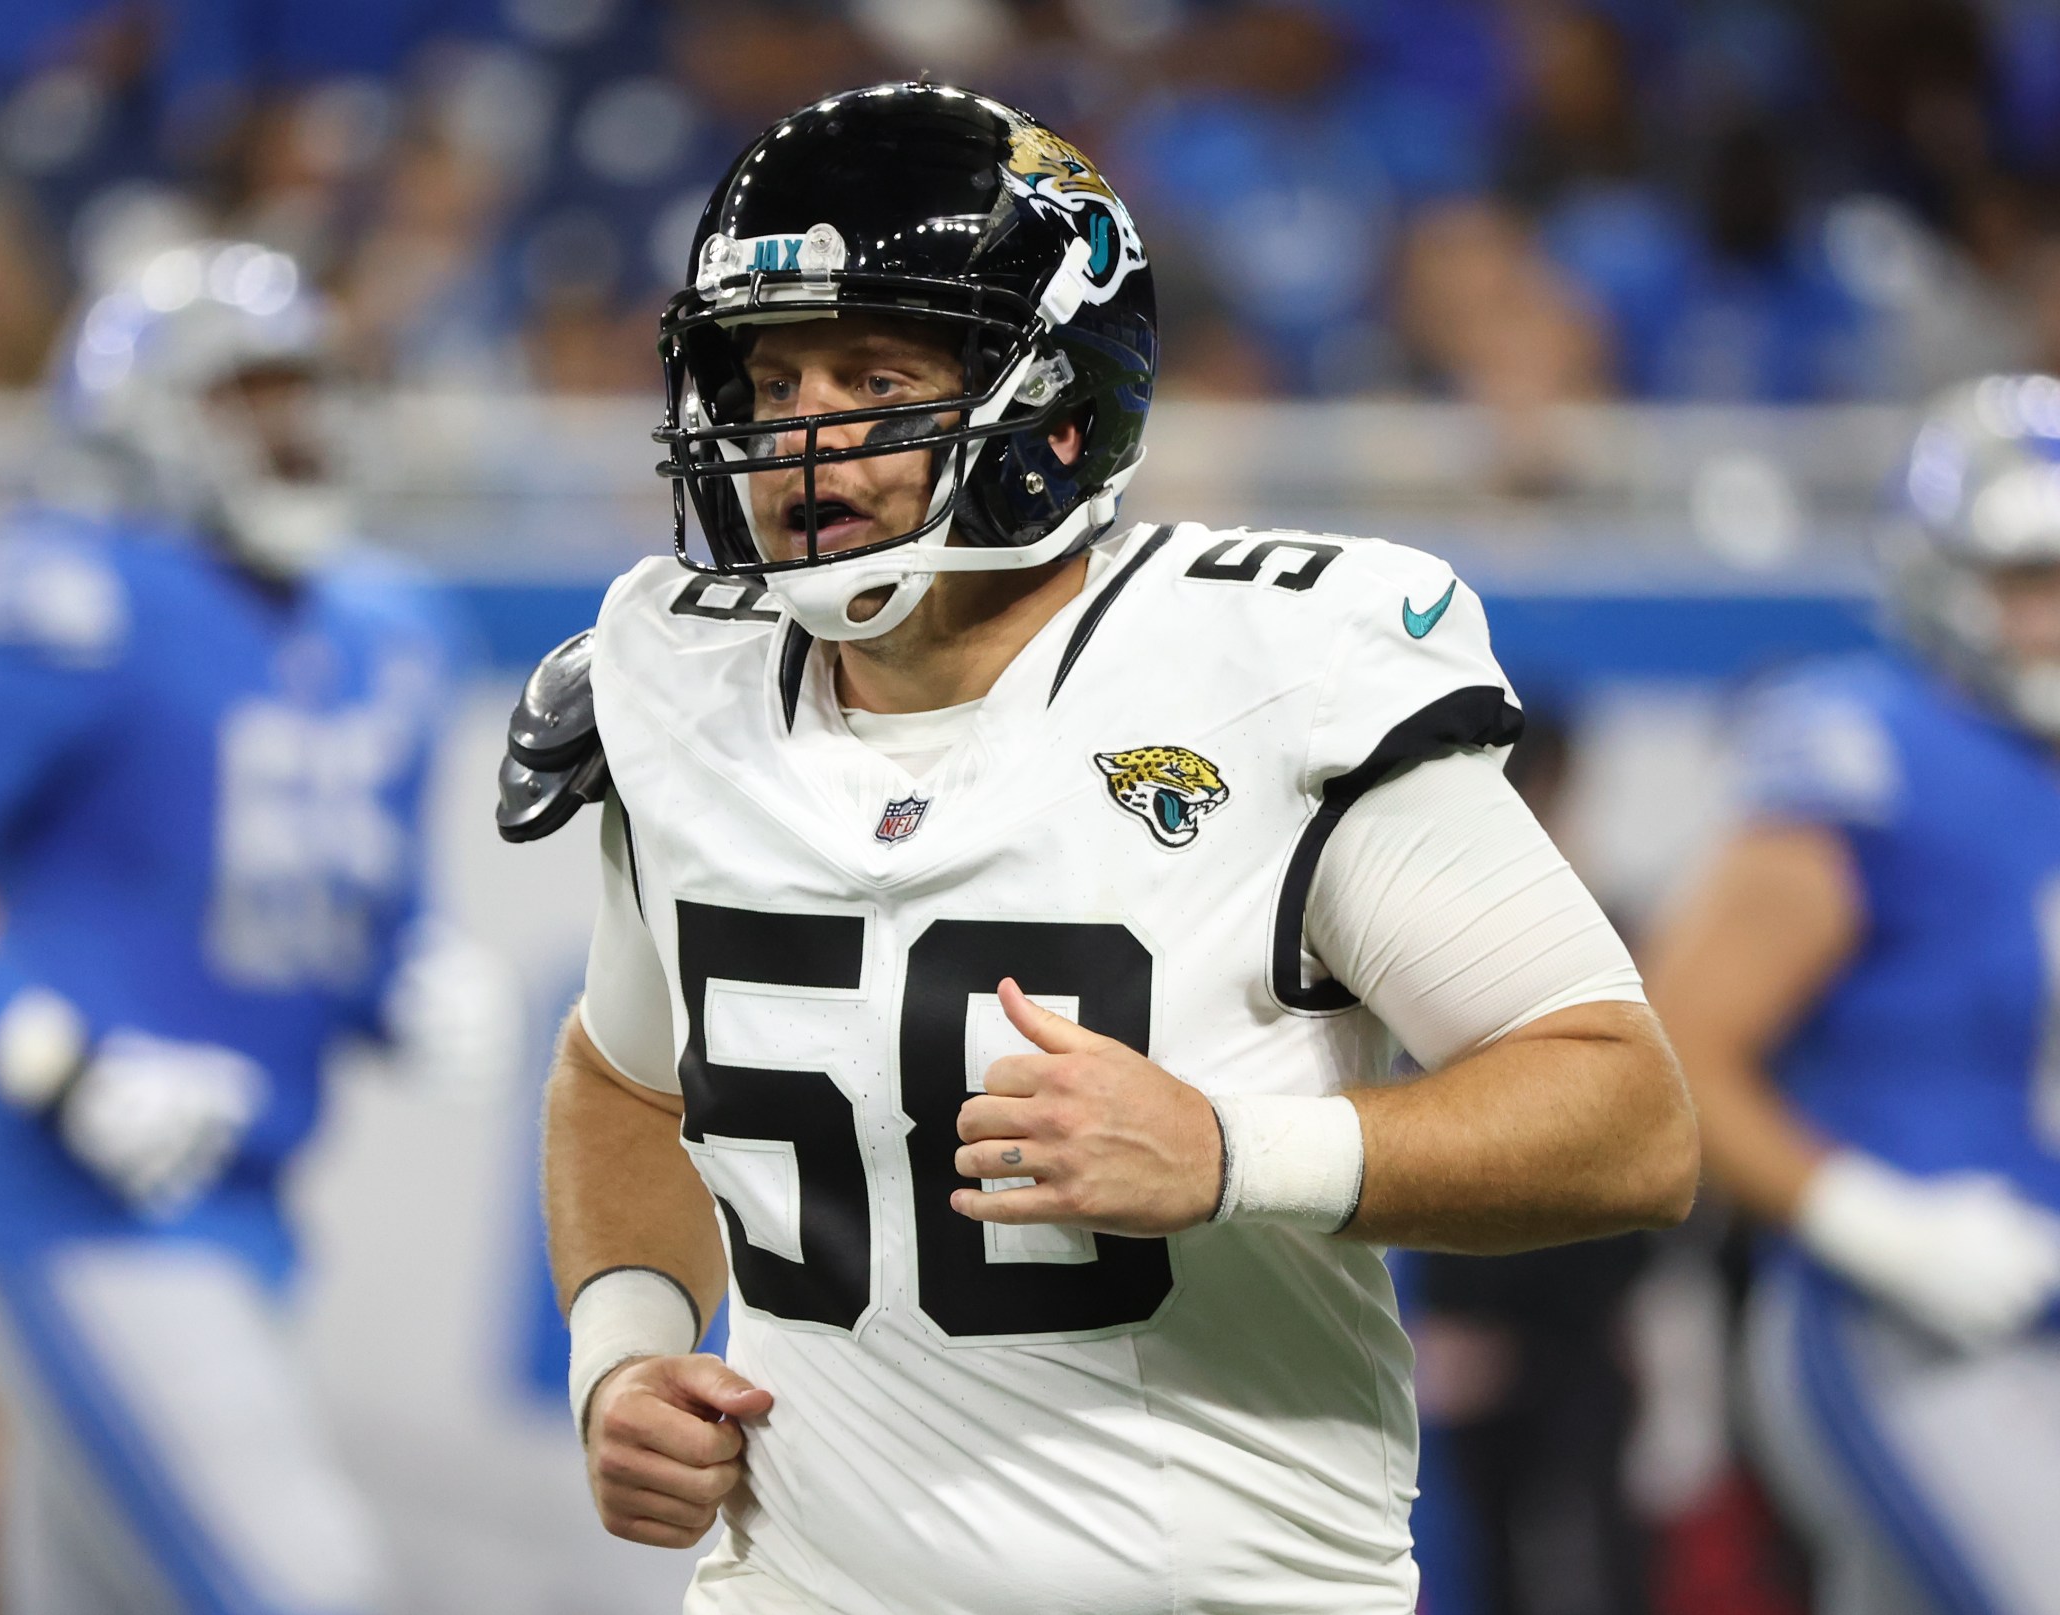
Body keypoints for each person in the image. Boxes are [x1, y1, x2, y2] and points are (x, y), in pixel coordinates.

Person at [505, 83, 1698, 1615]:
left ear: (1059, 408)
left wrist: (1236, 1153)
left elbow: (1627, 1113)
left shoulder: (1275, 669)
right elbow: (623, 1075)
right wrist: (623, 1351)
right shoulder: (680, 676)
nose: (801, 437)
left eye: (875, 375)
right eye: (771, 376)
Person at [0, 240, 456, 1615]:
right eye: (247, 394)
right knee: (313, 1586)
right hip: (78, 1208)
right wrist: (49, 1058)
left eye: (303, 389)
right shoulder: (88, 595)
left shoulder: (390, 622)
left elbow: (340, 906)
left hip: (247, 1197)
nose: (292, 427)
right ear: (146, 415)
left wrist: (408, 976)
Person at [1646, 373, 2060, 1615]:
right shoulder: (1874, 745)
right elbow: (1674, 1050)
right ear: (1947, 577)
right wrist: (1877, 1223)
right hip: (1909, 1318)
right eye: (2029, 577)